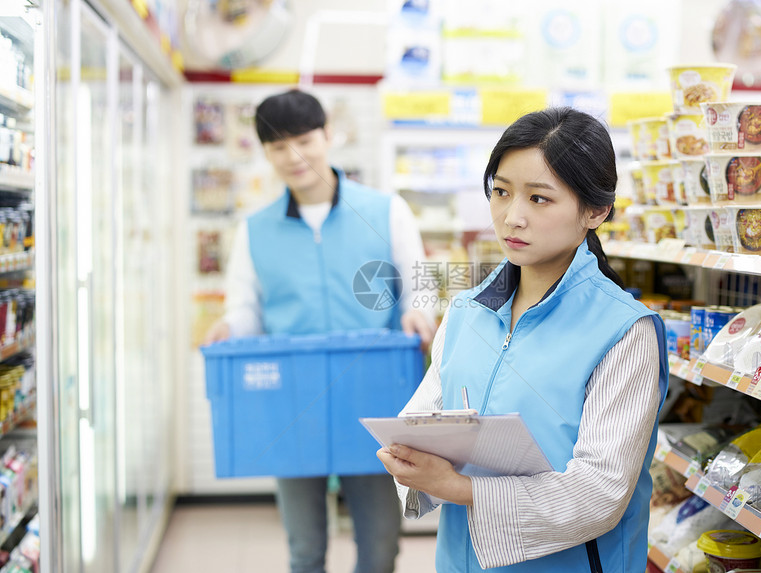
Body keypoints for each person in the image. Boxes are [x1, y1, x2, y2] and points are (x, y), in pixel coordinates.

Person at [377, 107, 669, 572]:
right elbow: (422, 418)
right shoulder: (466, 311)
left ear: (595, 210)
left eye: (539, 199)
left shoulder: (625, 332)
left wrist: (460, 488)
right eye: (501, 192)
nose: (512, 217)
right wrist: (409, 457)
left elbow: (600, 493)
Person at [203, 88, 436, 573]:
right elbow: (246, 308)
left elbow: (419, 285)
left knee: (379, 546)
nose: (294, 157)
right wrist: (229, 326)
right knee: (304, 549)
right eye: (278, 146)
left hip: (373, 399)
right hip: (293, 403)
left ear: (328, 135)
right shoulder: (255, 230)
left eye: (305, 141)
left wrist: (421, 313)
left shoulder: (385, 210)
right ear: (266, 152)